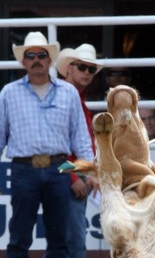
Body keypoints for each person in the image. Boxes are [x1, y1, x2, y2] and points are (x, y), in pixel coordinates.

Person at [0, 31, 94, 258]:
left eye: (41, 55)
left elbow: (80, 138)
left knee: (58, 239)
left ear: (50, 60)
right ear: (23, 62)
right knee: (19, 237)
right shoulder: (8, 93)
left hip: (59, 168)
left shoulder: (68, 93)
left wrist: (89, 171)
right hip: (24, 169)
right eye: (30, 56)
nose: (36, 60)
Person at [56, 43, 102, 258]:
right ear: (69, 68)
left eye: (91, 69)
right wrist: (74, 177)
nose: (87, 73)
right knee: (72, 244)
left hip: (71, 174)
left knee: (70, 242)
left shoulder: (72, 97)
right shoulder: (66, 97)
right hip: (69, 176)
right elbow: (56, 145)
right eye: (82, 67)